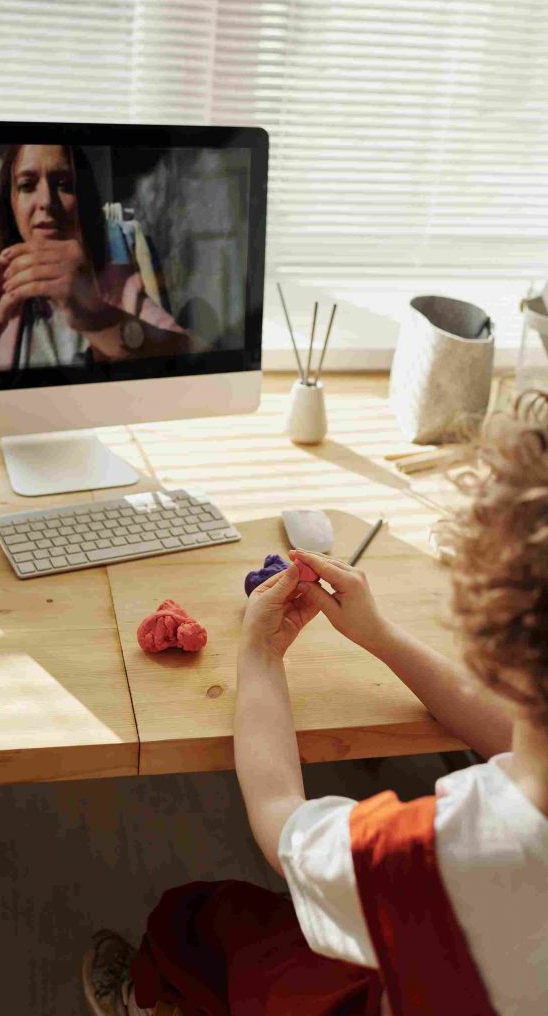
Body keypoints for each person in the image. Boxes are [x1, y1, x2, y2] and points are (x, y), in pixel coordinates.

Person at [82, 389, 548, 1016]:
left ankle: (153, 998)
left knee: (201, 920)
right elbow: (514, 737)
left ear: (492, 650)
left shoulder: (423, 859)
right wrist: (382, 638)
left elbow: (280, 817)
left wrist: (261, 655)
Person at [0, 144, 201, 377]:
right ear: (11, 203)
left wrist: (99, 320)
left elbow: (198, 359)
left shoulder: (117, 287)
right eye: (27, 185)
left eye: (65, 185)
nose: (46, 203)